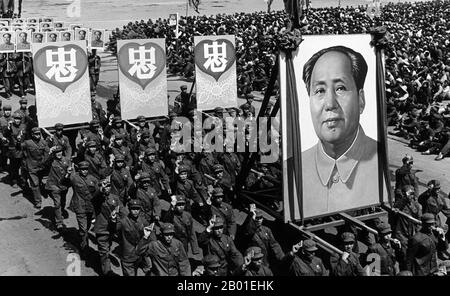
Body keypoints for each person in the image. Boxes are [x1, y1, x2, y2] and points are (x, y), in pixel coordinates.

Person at [301, 45, 387, 218]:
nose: (330, 103)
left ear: (361, 100)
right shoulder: (296, 167)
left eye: (340, 88)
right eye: (319, 91)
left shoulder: (378, 163)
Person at [93, 179, 127, 276]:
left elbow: (123, 210)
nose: (106, 188)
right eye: (104, 186)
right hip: (102, 229)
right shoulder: (98, 199)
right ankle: (107, 272)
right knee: (104, 252)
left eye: (108, 186)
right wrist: (101, 189)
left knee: (107, 247)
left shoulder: (115, 198)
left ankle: (101, 262)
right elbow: (96, 196)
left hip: (112, 229)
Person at [66, 161, 99, 258]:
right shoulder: (74, 177)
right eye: (82, 169)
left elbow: (97, 193)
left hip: (90, 207)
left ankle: (81, 237)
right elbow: (64, 182)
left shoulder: (93, 179)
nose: (84, 171)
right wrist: (67, 174)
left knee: (87, 226)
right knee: (84, 229)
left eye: (86, 169)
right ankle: (84, 248)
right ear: (79, 170)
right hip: (79, 206)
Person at [116, 199, 154, 276]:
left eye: (137, 209)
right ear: (129, 209)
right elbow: (114, 230)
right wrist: (113, 219)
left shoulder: (142, 220)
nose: (136, 211)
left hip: (138, 255)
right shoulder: (123, 222)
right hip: (127, 256)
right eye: (133, 209)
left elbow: (149, 234)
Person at [21, 127, 51, 209]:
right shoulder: (28, 143)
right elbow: (19, 146)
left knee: (39, 180)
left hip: (41, 166)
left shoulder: (43, 143)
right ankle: (38, 201)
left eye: (39, 134)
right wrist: (20, 138)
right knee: (35, 184)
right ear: (32, 134)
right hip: (32, 166)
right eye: (36, 134)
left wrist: (44, 162)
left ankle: (40, 190)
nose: (38, 136)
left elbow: (47, 154)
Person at [45, 145, 71, 230]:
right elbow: (45, 164)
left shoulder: (66, 160)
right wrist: (50, 153)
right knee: (57, 203)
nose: (59, 154)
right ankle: (59, 222)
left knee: (63, 202)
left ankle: (60, 212)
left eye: (60, 152)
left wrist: (69, 174)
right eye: (56, 152)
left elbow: (71, 172)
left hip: (63, 185)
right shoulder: (51, 161)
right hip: (53, 185)